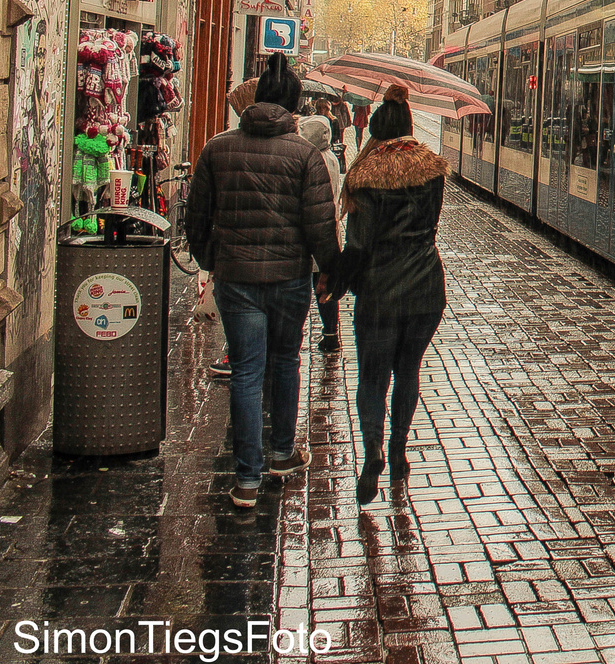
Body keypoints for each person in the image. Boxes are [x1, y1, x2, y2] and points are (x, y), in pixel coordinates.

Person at [186, 53, 340, 508]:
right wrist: (330, 272)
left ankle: (246, 479)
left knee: (247, 372)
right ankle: (281, 453)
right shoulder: (306, 155)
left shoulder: (217, 148)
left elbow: (196, 220)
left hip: (236, 279)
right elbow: (321, 228)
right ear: (293, 107)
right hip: (290, 280)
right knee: (285, 361)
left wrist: (214, 259)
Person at [326, 85, 448, 505]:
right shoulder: (432, 169)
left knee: (373, 377)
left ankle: (373, 450)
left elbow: (358, 247)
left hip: (380, 291)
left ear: (376, 129)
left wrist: (336, 282)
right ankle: (399, 451)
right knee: (408, 370)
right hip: (427, 288)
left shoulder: (365, 175)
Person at [298, 113, 345, 353]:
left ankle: (322, 333)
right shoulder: (332, 158)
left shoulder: (312, 160)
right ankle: (330, 332)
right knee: (324, 286)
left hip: (315, 232)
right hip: (329, 230)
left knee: (313, 284)